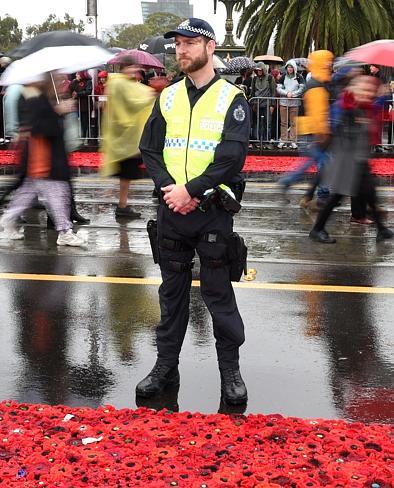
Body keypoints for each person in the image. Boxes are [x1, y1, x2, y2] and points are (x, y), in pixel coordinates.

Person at [137, 18, 250, 406]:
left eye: (190, 43)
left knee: (218, 294)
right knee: (171, 295)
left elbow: (231, 158)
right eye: (178, 44)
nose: (181, 50)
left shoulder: (231, 98)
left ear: (210, 48)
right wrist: (171, 189)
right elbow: (149, 149)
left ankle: (230, 371)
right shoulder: (167, 97)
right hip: (173, 210)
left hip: (212, 211)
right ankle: (165, 366)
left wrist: (191, 190)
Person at [0, 75, 85, 247]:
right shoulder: (34, 97)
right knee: (58, 195)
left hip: (43, 157)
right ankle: (65, 231)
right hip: (44, 158)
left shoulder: (41, 97)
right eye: (57, 79)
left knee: (28, 194)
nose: (60, 83)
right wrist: (58, 111)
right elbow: (39, 127)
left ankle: (7, 219)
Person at [310, 76, 393, 244]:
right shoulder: (348, 107)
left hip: (359, 160)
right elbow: (344, 133)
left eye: (370, 90)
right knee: (336, 198)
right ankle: (317, 229)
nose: (367, 92)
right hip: (347, 161)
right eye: (363, 89)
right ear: (354, 90)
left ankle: (381, 229)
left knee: (370, 194)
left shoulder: (363, 107)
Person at [100, 57, 156, 219]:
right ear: (124, 68)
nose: (134, 71)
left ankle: (122, 204)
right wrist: (150, 95)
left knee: (126, 175)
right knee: (126, 175)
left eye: (135, 68)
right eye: (131, 67)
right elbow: (133, 103)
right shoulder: (120, 83)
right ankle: (122, 205)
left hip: (126, 137)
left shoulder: (121, 82)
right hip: (125, 138)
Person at [280, 50, 334, 209]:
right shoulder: (317, 84)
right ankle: (322, 196)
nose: (330, 65)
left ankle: (290, 184)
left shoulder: (317, 82)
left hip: (311, 131)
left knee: (314, 164)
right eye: (327, 61)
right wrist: (322, 134)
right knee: (324, 164)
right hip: (314, 133)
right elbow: (318, 112)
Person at [276, 60, 305, 149]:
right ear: (286, 68)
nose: (290, 69)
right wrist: (286, 93)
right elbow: (279, 88)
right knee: (283, 123)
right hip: (284, 102)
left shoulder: (299, 77)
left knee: (293, 123)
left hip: (294, 103)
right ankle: (283, 140)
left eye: (291, 67)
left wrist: (293, 94)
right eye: (288, 67)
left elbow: (302, 88)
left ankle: (293, 141)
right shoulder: (283, 77)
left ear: (294, 68)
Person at [249, 62, 275, 145]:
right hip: (257, 104)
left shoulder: (270, 78)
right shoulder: (254, 79)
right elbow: (252, 92)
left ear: (263, 69)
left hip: (267, 104)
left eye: (260, 70)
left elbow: (273, 92)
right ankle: (258, 140)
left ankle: (266, 140)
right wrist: (253, 103)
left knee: (268, 123)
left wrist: (272, 105)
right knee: (258, 123)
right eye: (258, 70)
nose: (259, 72)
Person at [69, 71, 92, 140]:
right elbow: (71, 90)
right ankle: (83, 137)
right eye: (76, 74)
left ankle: (86, 137)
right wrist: (73, 82)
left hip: (86, 105)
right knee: (81, 122)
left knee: (86, 122)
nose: (76, 75)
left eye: (78, 74)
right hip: (78, 105)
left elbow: (88, 91)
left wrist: (78, 94)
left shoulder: (88, 81)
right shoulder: (75, 82)